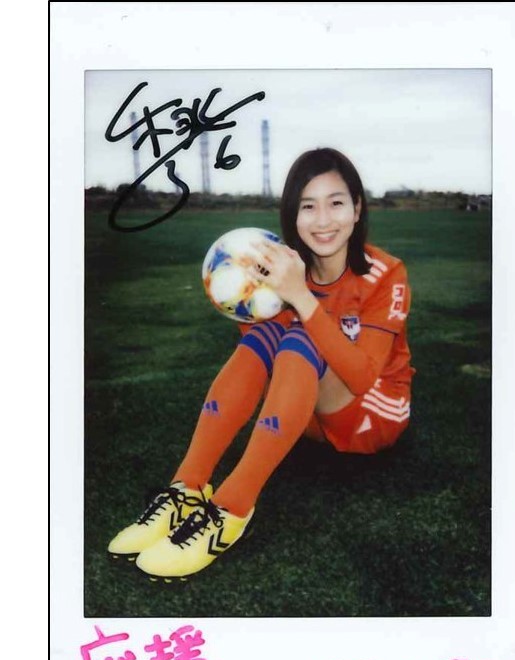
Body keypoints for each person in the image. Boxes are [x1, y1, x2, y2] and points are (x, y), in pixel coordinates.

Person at [108, 147, 415, 579]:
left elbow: (363, 378)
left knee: (302, 334)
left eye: (336, 203)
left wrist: (301, 298)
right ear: (293, 213)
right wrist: (249, 296)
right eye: (308, 206)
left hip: (370, 414)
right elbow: (259, 359)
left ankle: (233, 508)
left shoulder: (385, 273)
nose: (323, 220)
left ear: (357, 208)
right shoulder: (285, 265)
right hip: (303, 414)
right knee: (270, 334)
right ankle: (187, 487)